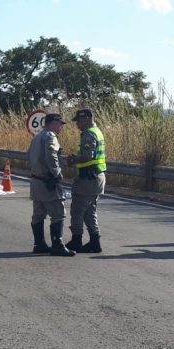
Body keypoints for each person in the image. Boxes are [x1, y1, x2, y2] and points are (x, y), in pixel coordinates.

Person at [27, 113, 75, 256]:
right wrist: (57, 172)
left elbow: (29, 156)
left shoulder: (36, 137)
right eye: (60, 123)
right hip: (47, 181)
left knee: (38, 214)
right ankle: (57, 245)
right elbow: (51, 156)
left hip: (36, 180)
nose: (61, 127)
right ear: (53, 122)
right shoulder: (50, 136)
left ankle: (39, 243)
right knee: (58, 213)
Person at [66, 108, 106, 253]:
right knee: (90, 211)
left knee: (77, 210)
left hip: (88, 178)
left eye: (80, 120)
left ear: (88, 118)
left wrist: (73, 160)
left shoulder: (89, 134)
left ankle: (77, 240)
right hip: (96, 176)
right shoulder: (97, 131)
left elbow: (88, 156)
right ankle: (95, 242)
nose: (77, 124)